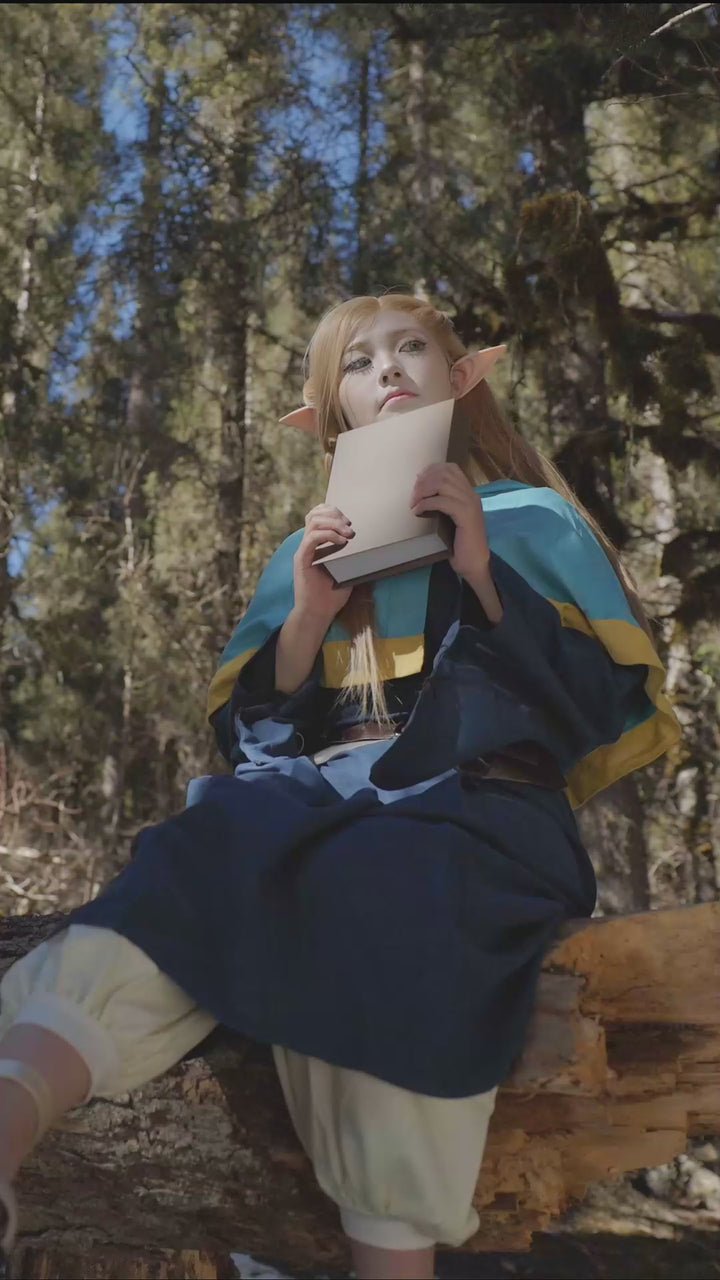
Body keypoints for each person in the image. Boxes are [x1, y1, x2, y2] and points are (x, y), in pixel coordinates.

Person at [0, 295, 680, 1280]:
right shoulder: (300, 553)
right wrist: (310, 616)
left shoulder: (530, 518)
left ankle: (388, 1257)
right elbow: (254, 733)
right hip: (317, 796)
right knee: (201, 845)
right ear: (331, 411)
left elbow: (595, 700)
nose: (388, 368)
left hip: (477, 806)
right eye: (359, 361)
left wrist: (482, 570)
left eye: (412, 348)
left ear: (461, 379)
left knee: (393, 883)